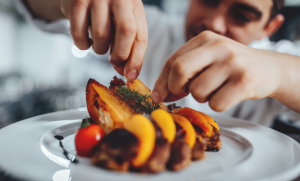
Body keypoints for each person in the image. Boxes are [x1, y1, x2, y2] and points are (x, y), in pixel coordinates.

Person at [14, 0, 300, 126]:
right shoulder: (150, 27)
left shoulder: (280, 57)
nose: (214, 22)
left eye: (243, 14)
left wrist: (279, 73)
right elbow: (32, 7)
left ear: (269, 28)